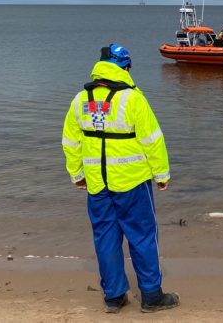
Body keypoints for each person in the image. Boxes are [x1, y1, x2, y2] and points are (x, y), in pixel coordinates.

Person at [61, 44, 180, 314]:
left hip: (96, 182)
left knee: (105, 237)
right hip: (132, 182)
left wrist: (76, 174)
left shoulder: (80, 99)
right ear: (125, 67)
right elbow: (153, 141)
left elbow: (70, 142)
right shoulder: (133, 99)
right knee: (142, 236)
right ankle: (151, 296)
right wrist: (162, 174)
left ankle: (114, 297)